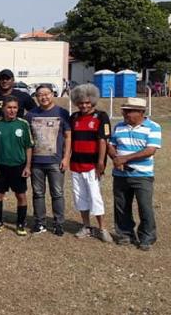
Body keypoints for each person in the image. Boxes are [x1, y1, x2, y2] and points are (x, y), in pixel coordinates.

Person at [107, 98, 161, 251]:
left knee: (145, 207)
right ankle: (125, 234)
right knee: (122, 206)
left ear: (141, 112)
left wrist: (124, 158)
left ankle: (146, 237)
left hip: (142, 175)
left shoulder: (152, 127)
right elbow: (111, 145)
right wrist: (115, 158)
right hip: (120, 174)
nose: (125, 113)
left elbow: (150, 150)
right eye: (125, 110)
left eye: (129, 111)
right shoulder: (119, 126)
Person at [25, 85, 71, 236]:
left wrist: (66, 157)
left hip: (55, 161)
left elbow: (68, 136)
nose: (44, 97)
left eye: (47, 94)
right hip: (36, 162)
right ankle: (40, 222)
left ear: (52, 94)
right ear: (36, 97)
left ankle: (59, 223)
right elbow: (28, 139)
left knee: (57, 193)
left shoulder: (62, 113)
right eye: (40, 95)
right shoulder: (31, 115)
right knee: (38, 193)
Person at [69, 84, 111, 242]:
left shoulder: (101, 116)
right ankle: (86, 226)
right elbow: (69, 139)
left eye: (87, 102)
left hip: (92, 165)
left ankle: (102, 228)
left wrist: (101, 162)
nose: (84, 105)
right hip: (76, 164)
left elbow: (103, 141)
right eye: (81, 103)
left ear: (93, 101)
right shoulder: (74, 117)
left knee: (95, 197)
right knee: (80, 197)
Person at [0, 97, 34, 235]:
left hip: (18, 166)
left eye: (15, 107)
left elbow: (28, 146)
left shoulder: (23, 124)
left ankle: (20, 223)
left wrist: (27, 166)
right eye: (9, 107)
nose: (12, 110)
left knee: (20, 195)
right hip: (0, 166)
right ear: (3, 108)